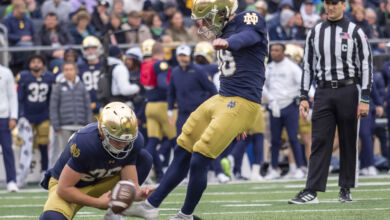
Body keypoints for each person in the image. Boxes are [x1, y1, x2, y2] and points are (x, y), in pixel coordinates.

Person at [112, 0, 268, 219]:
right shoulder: (223, 29)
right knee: (183, 148)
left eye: (206, 19)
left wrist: (229, 42)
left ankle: (185, 215)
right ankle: (150, 206)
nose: (202, 25)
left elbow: (248, 37)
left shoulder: (248, 19)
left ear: (222, 12)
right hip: (222, 98)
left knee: (200, 157)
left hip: (242, 101)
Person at [289, 0, 372, 204]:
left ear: (344, 4)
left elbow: (366, 64)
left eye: (335, 3)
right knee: (319, 140)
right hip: (323, 91)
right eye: (327, 3)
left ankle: (345, 188)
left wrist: (365, 98)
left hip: (348, 90)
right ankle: (312, 190)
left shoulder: (355, 31)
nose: (331, 7)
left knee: (348, 140)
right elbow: (307, 65)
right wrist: (303, 96)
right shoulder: (315, 31)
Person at [40, 102, 154, 220]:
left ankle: (115, 213)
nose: (123, 145)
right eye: (116, 139)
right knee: (51, 218)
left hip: (104, 180)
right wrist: (98, 202)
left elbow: (130, 182)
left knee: (144, 158)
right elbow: (64, 189)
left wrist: (138, 194)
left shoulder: (134, 143)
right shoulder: (86, 143)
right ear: (102, 132)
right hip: (72, 186)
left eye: (127, 140)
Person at [263, 43, 306, 180]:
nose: (274, 53)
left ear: (283, 52)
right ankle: (274, 168)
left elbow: (303, 83)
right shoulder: (268, 67)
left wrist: (307, 99)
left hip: (290, 105)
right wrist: (271, 100)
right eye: (272, 50)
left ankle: (300, 167)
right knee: (275, 140)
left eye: (277, 50)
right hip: (275, 106)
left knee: (293, 138)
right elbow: (262, 85)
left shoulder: (292, 67)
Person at [17, 54, 56, 177]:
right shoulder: (24, 77)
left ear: (43, 64)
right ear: (29, 64)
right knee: (25, 145)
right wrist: (20, 115)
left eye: (38, 61)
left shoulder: (49, 77)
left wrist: (51, 114)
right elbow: (20, 98)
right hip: (27, 116)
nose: (36, 64)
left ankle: (44, 171)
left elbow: (52, 99)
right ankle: (22, 174)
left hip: (43, 115)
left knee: (44, 144)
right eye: (33, 61)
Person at [49, 61, 93, 168]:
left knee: (82, 152)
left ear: (76, 71)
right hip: (64, 126)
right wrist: (56, 124)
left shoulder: (82, 86)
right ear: (63, 72)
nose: (69, 72)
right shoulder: (58, 87)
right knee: (64, 152)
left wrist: (89, 125)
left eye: (71, 69)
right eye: (66, 70)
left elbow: (87, 106)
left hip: (80, 126)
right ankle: (60, 177)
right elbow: (53, 107)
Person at [0, 64, 19, 192]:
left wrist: (13, 116)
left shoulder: (6, 72)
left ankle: (11, 181)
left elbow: (12, 95)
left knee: (7, 149)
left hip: (4, 116)